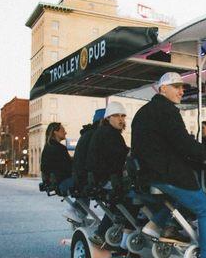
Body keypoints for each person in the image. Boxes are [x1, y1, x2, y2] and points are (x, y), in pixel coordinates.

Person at [131, 72, 206, 258]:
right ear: (163, 89)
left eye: (182, 87)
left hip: (147, 175)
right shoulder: (167, 111)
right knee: (205, 207)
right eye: (176, 87)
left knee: (179, 200)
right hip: (166, 173)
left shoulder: (142, 112)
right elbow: (183, 143)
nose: (181, 91)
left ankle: (156, 225)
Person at [86, 102, 135, 250]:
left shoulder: (107, 133)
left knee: (124, 197)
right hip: (106, 180)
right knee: (135, 196)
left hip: (99, 179)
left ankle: (103, 233)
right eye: (116, 116)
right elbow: (116, 160)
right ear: (108, 118)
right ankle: (124, 240)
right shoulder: (110, 134)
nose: (121, 119)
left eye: (123, 116)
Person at [40, 122, 85, 223]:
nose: (65, 132)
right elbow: (68, 167)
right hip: (62, 182)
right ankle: (74, 211)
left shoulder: (48, 147)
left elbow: (46, 167)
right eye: (63, 130)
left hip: (56, 182)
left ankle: (77, 212)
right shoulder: (58, 148)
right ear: (55, 132)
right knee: (86, 184)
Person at [73, 108, 105, 190]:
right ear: (102, 121)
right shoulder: (97, 135)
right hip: (89, 179)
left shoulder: (88, 134)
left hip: (81, 177)